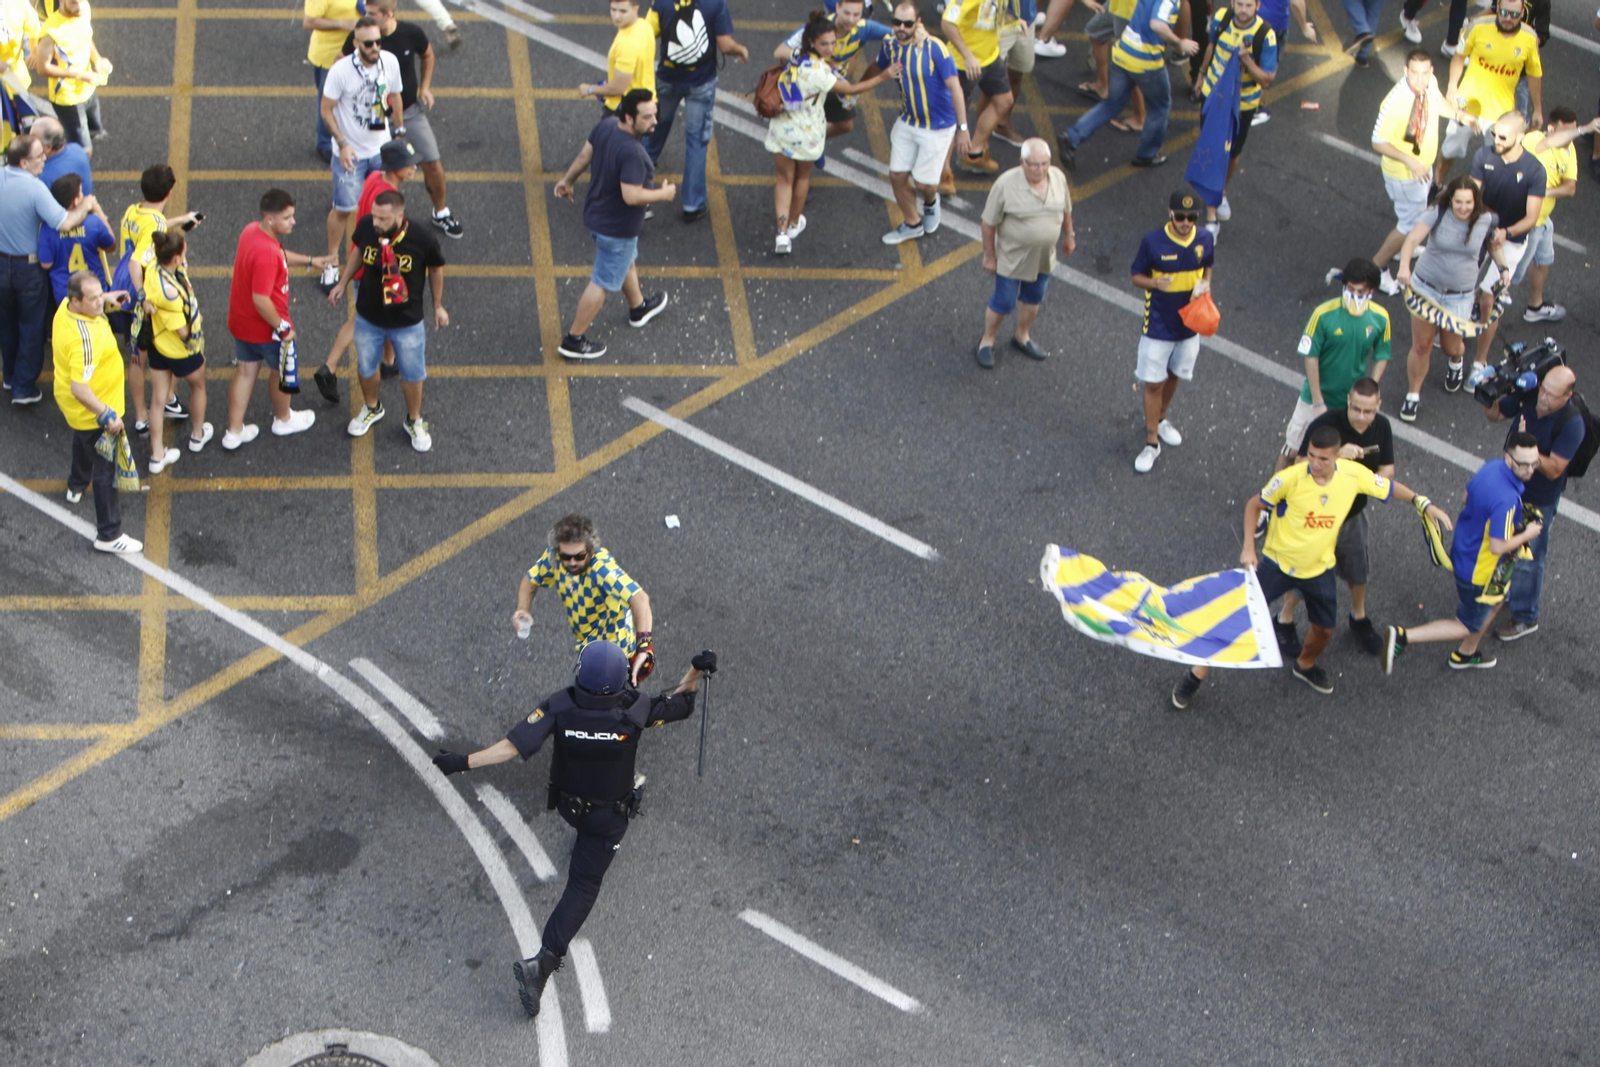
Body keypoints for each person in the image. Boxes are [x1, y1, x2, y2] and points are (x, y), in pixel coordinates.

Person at [430, 644, 717, 1018]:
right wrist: (694, 670)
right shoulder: (636, 708)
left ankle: (543, 964)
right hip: (607, 822)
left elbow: (512, 747)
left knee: (584, 851)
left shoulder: (560, 705)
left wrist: (462, 762)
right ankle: (542, 964)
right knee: (582, 886)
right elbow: (683, 705)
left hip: (570, 807)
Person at [1173, 424, 1450, 706]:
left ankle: (1304, 665)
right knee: (1235, 618)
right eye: (1312, 455)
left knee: (1324, 630)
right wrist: (1248, 547)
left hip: (1318, 570)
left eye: (1323, 459)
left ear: (1337, 457)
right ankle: (1195, 676)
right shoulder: (1289, 479)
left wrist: (1422, 503)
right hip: (1277, 566)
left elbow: (1389, 487)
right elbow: (1253, 506)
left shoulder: (1353, 475)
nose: (1315, 464)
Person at [1381, 432, 1542, 672]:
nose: (1530, 470)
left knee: (1496, 602)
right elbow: (1498, 547)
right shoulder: (1507, 499)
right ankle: (1404, 636)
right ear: (1509, 459)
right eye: (1524, 464)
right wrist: (1528, 533)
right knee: (1468, 624)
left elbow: (1466, 497)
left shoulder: (1491, 467)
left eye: (1535, 463)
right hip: (1480, 573)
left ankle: (1466, 654)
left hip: (1464, 550)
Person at [1276, 378, 1394, 655]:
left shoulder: (1382, 427)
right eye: (1356, 409)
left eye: (1368, 411)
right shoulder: (1326, 425)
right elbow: (1300, 464)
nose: (1361, 416)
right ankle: (1284, 619)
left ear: (1378, 406)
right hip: (1317, 515)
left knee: (1358, 568)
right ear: (1348, 402)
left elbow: (1388, 470)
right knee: (1306, 570)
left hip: (1353, 514)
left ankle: (1358, 617)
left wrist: (1371, 482)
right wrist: (1337, 457)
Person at [552, 89, 673, 361]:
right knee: (602, 281)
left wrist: (568, 181)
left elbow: (584, 156)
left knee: (626, 261)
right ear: (629, 117)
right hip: (616, 228)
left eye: (654, 114)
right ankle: (573, 339)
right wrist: (663, 194)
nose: (654, 121)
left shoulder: (606, 126)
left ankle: (638, 308)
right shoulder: (633, 153)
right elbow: (632, 196)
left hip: (597, 216)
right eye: (647, 117)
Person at [766, 12, 898, 255]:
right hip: (808, 134)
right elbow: (852, 88)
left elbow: (780, 54)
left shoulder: (795, 57)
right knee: (802, 179)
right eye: (825, 44)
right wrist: (883, 76)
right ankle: (793, 223)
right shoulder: (821, 71)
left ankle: (781, 234)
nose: (830, 48)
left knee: (784, 180)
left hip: (781, 128)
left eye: (832, 43)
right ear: (813, 42)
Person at [330, 188, 448, 453]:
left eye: (382, 219)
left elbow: (436, 269)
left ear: (400, 215)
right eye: (374, 216)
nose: (375, 223)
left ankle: (414, 419)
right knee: (366, 368)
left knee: (413, 374)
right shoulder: (366, 227)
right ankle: (372, 408)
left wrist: (438, 306)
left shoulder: (422, 238)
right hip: (369, 316)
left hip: (407, 321)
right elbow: (358, 252)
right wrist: (343, 282)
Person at [341, 0, 463, 239]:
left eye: (372, 12)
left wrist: (425, 87)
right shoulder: (362, 35)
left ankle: (441, 212)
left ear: (388, 14)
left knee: (432, 162)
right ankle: (362, 208)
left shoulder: (410, 33)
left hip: (408, 112)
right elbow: (341, 62)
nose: (366, 15)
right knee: (370, 168)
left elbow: (427, 54)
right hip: (373, 115)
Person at [224, 189, 335, 451]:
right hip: (268, 330)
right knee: (282, 371)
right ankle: (283, 419)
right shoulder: (267, 253)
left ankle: (233, 431)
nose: (293, 222)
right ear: (270, 219)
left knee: (245, 372)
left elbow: (279, 256)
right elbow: (261, 299)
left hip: (241, 323)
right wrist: (283, 328)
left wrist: (311, 261)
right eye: (287, 218)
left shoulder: (251, 231)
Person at [1394, 175, 1507, 422]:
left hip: (1460, 296)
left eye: (1468, 203)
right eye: (1458, 202)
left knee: (1450, 346)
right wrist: (1404, 267)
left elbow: (1493, 246)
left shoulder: (1486, 219)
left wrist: (1504, 269)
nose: (1463, 208)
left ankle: (1456, 359)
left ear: (1476, 202)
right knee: (1422, 345)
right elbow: (1412, 239)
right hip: (1426, 288)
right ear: (1450, 199)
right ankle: (1413, 395)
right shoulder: (1438, 212)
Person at [313, 137, 416, 404]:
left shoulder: (372, 179)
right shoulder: (390, 201)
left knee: (381, 314)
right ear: (395, 167)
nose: (414, 167)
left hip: (362, 259)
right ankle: (330, 366)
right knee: (364, 320)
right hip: (377, 269)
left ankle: (389, 361)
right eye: (409, 163)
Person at [1483, 365, 1582, 642]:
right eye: (1543, 390)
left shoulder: (1573, 424)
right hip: (1510, 488)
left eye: (1551, 395)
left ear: (1567, 396)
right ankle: (1505, 589)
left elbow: (1555, 469)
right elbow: (1495, 414)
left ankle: (1525, 617)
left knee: (1529, 559)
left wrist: (1528, 448)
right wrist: (1487, 395)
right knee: (1502, 540)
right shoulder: (1530, 396)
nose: (1543, 397)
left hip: (1539, 499)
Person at [1368, 50, 1479, 295]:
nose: (1420, 79)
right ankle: (1377, 268)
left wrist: (1461, 116)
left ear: (1431, 72)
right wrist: (1410, 161)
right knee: (1409, 224)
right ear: (1405, 71)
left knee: (1416, 217)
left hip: (1421, 168)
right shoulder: (1395, 103)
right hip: (1405, 174)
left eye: (1425, 73)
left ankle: (1403, 249)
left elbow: (1438, 103)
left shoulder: (1429, 84)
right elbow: (1377, 141)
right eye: (1415, 73)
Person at [1, 133, 100, 405]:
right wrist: (87, 205)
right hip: (28, 269)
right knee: (31, 326)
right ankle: (23, 388)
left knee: (6, 323)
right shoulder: (35, 189)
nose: (44, 160)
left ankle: (10, 375)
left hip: (1, 263)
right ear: (24, 162)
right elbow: (65, 222)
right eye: (38, 157)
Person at [52, 270, 141, 553]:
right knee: (105, 469)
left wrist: (106, 298)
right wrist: (107, 415)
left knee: (83, 441)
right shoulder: (84, 340)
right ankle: (109, 534)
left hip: (76, 410)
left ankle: (76, 484)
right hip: (93, 408)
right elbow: (80, 388)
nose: (99, 303)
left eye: (99, 295)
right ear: (76, 301)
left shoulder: (65, 309)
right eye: (93, 299)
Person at [1274, 258, 1389, 476]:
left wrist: (1370, 391)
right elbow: (1311, 357)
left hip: (1349, 403)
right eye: (1350, 289)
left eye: (1360, 291)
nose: (1354, 295)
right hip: (1315, 398)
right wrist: (1318, 401)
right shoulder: (1323, 314)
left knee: (1336, 457)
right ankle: (1272, 493)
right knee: (1292, 451)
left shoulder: (1380, 318)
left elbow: (1382, 355)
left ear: (1371, 290)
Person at [511, 513, 658, 684]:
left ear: (591, 549)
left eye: (579, 556)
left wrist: (644, 646)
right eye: (566, 557)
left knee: (588, 695)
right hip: (587, 645)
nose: (572, 562)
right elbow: (531, 580)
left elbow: (640, 598)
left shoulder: (601, 569)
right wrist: (523, 608)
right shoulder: (555, 558)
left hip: (610, 653)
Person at [1130, 190, 1214, 474]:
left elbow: (1208, 265)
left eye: (1191, 217)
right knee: (1153, 383)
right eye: (1180, 216)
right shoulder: (1153, 242)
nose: (1186, 222)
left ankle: (1161, 418)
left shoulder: (1205, 239)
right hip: (1158, 325)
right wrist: (1155, 284)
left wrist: (1206, 284)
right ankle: (1151, 441)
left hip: (1190, 325)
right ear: (1170, 214)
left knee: (1176, 374)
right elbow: (1136, 276)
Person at [1058, 0, 1196, 172]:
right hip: (1146, 63)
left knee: (1112, 104)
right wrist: (1179, 43)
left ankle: (1071, 137)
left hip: (1123, 54)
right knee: (1160, 107)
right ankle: (1147, 154)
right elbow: (1157, 24)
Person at [319, 16, 405, 292]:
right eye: (368, 43)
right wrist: (342, 143)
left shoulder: (389, 62)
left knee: (382, 208)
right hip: (351, 154)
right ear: (356, 43)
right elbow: (326, 110)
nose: (375, 47)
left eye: (378, 41)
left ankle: (382, 255)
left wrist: (400, 131)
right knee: (343, 209)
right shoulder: (341, 71)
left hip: (381, 151)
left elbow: (396, 95)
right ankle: (331, 261)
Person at [875, 2, 971, 245]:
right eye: (897, 22)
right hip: (908, 120)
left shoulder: (935, 48)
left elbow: (955, 87)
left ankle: (930, 202)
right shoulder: (889, 44)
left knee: (924, 184)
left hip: (938, 127)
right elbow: (877, 67)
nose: (901, 28)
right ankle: (912, 224)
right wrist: (853, 90)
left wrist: (962, 128)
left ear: (918, 23)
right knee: (897, 175)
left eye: (908, 23)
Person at [644, 0, 748, 223]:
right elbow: (725, 45)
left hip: (667, 79)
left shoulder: (661, 1)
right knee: (696, 141)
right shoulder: (715, 3)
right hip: (701, 82)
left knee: (654, 127)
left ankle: (641, 174)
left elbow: (646, 34)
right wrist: (741, 50)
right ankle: (692, 204)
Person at [115, 163, 199, 435]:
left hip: (123, 294)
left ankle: (141, 414)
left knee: (135, 357)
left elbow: (151, 228)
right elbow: (136, 261)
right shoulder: (156, 223)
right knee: (160, 350)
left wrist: (180, 220)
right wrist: (143, 297)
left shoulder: (132, 211)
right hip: (145, 297)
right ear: (170, 191)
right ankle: (164, 401)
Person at [975, 138, 1073, 367]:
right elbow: (988, 223)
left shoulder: (1058, 178)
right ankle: (987, 340)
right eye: (1034, 164)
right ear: (1022, 163)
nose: (1040, 169)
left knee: (1033, 298)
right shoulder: (1005, 184)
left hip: (1044, 258)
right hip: (1012, 258)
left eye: (1045, 164)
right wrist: (989, 256)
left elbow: (1066, 209)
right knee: (1003, 302)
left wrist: (1070, 235)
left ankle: (1022, 335)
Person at [1464, 111, 1545, 381]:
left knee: (1490, 299)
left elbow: (1531, 218)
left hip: (1511, 238)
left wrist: (1505, 232)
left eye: (1502, 137)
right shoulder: (1484, 155)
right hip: (1482, 228)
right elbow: (1472, 194)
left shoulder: (1534, 170)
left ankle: (1480, 360)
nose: (1496, 140)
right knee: (1462, 285)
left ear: (1520, 137)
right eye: (1494, 134)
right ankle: (1456, 329)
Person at [1193, 0, 1278, 232]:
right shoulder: (1221, 18)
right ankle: (1211, 214)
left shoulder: (1265, 35)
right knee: (1213, 149)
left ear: (1257, 6)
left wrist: (1247, 60)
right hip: (1213, 96)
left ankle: (1219, 191)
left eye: (1249, 5)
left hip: (1242, 105)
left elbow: (1266, 79)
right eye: (1239, 4)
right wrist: (1201, 75)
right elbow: (1211, 46)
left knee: (1232, 154)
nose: (1243, 10)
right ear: (1232, 3)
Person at [1436, 0, 1541, 186]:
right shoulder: (1477, 27)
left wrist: (1538, 109)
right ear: (1497, 9)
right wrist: (1452, 86)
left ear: (1522, 14)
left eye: (1514, 15)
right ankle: (1435, 185)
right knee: (1450, 150)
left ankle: (1479, 198)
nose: (1508, 18)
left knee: (1494, 161)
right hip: (1467, 104)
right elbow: (1459, 56)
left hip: (1500, 112)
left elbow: (1534, 74)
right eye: (1505, 13)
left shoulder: (1529, 38)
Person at [1510, 109, 1597, 323]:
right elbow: (1545, 145)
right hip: (1525, 222)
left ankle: (1535, 306)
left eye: (1573, 131)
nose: (1570, 137)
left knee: (1543, 261)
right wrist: (1584, 129)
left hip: (1543, 222)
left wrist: (1542, 191)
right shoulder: (1534, 140)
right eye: (1566, 131)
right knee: (1507, 274)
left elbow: (1570, 188)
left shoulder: (1569, 149)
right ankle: (1477, 308)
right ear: (1550, 129)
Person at [774, 0, 889, 159]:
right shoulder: (820, 28)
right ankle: (797, 147)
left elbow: (897, 33)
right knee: (794, 153)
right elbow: (780, 51)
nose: (851, 19)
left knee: (846, 124)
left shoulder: (865, 28)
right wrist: (816, 61)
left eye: (856, 14)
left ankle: (814, 141)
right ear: (837, 8)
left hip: (833, 84)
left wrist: (918, 32)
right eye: (847, 13)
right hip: (809, 87)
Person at [143, 230, 211, 470]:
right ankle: (197, 435)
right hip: (182, 352)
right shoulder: (170, 294)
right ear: (175, 258)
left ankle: (157, 455)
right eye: (183, 252)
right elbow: (182, 332)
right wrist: (196, 319)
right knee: (198, 387)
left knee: (158, 400)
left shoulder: (153, 269)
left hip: (158, 347)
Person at [942, 0, 1013, 174]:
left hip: (990, 57)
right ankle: (943, 172)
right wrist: (968, 56)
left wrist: (1016, 22)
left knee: (1004, 100)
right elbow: (947, 23)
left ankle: (974, 152)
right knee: (952, 119)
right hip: (963, 64)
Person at [36, 0, 109, 155]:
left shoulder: (83, 9)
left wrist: (97, 59)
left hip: (88, 87)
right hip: (68, 98)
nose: (80, 7)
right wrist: (79, 75)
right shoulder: (51, 33)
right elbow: (43, 68)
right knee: (84, 151)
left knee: (95, 128)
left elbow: (86, 36)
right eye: (74, 3)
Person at [38, 172, 113, 304]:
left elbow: (46, 263)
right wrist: (98, 210)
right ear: (75, 201)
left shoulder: (47, 227)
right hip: (95, 292)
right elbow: (111, 246)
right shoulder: (94, 222)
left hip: (64, 294)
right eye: (81, 193)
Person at [304, 0, 363, 163]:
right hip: (329, 57)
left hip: (357, 54)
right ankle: (325, 144)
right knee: (328, 102)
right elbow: (309, 21)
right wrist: (342, 24)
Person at [578, 0, 657, 116]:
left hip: (624, 109)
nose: (616, 16)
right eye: (613, 10)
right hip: (647, 103)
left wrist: (590, 89)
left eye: (623, 11)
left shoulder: (626, 44)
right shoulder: (644, 26)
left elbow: (618, 88)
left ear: (636, 8)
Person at [988, 0, 1039, 147]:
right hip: (999, 23)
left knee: (1017, 73)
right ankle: (980, 143)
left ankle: (1002, 125)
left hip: (1026, 20)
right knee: (989, 81)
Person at [33, 116, 92, 195]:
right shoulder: (78, 149)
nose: (30, 142)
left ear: (48, 147)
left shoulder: (42, 175)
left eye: (33, 140)